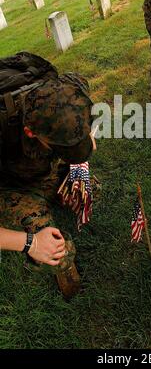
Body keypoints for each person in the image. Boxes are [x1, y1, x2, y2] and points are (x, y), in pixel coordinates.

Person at [0, 53, 96, 298]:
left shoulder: (62, 87)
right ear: (30, 132)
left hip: (33, 165)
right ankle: (69, 283)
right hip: (8, 185)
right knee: (56, 251)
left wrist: (80, 159)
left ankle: (52, 193)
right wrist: (29, 243)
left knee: (88, 188)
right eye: (59, 148)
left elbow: (81, 120)